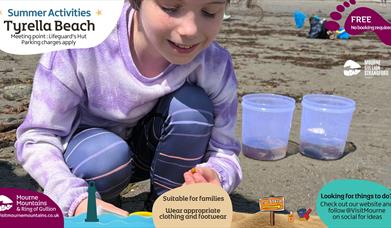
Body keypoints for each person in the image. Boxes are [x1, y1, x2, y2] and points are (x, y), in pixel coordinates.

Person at [15, 0, 242, 217]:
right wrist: (71, 196)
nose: (190, 30)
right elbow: (38, 137)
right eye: (171, 8)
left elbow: (224, 151)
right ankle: (102, 205)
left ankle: (168, 208)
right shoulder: (81, 45)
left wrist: (216, 177)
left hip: (156, 150)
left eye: (210, 12)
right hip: (90, 158)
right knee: (105, 157)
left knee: (192, 109)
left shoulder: (214, 63)